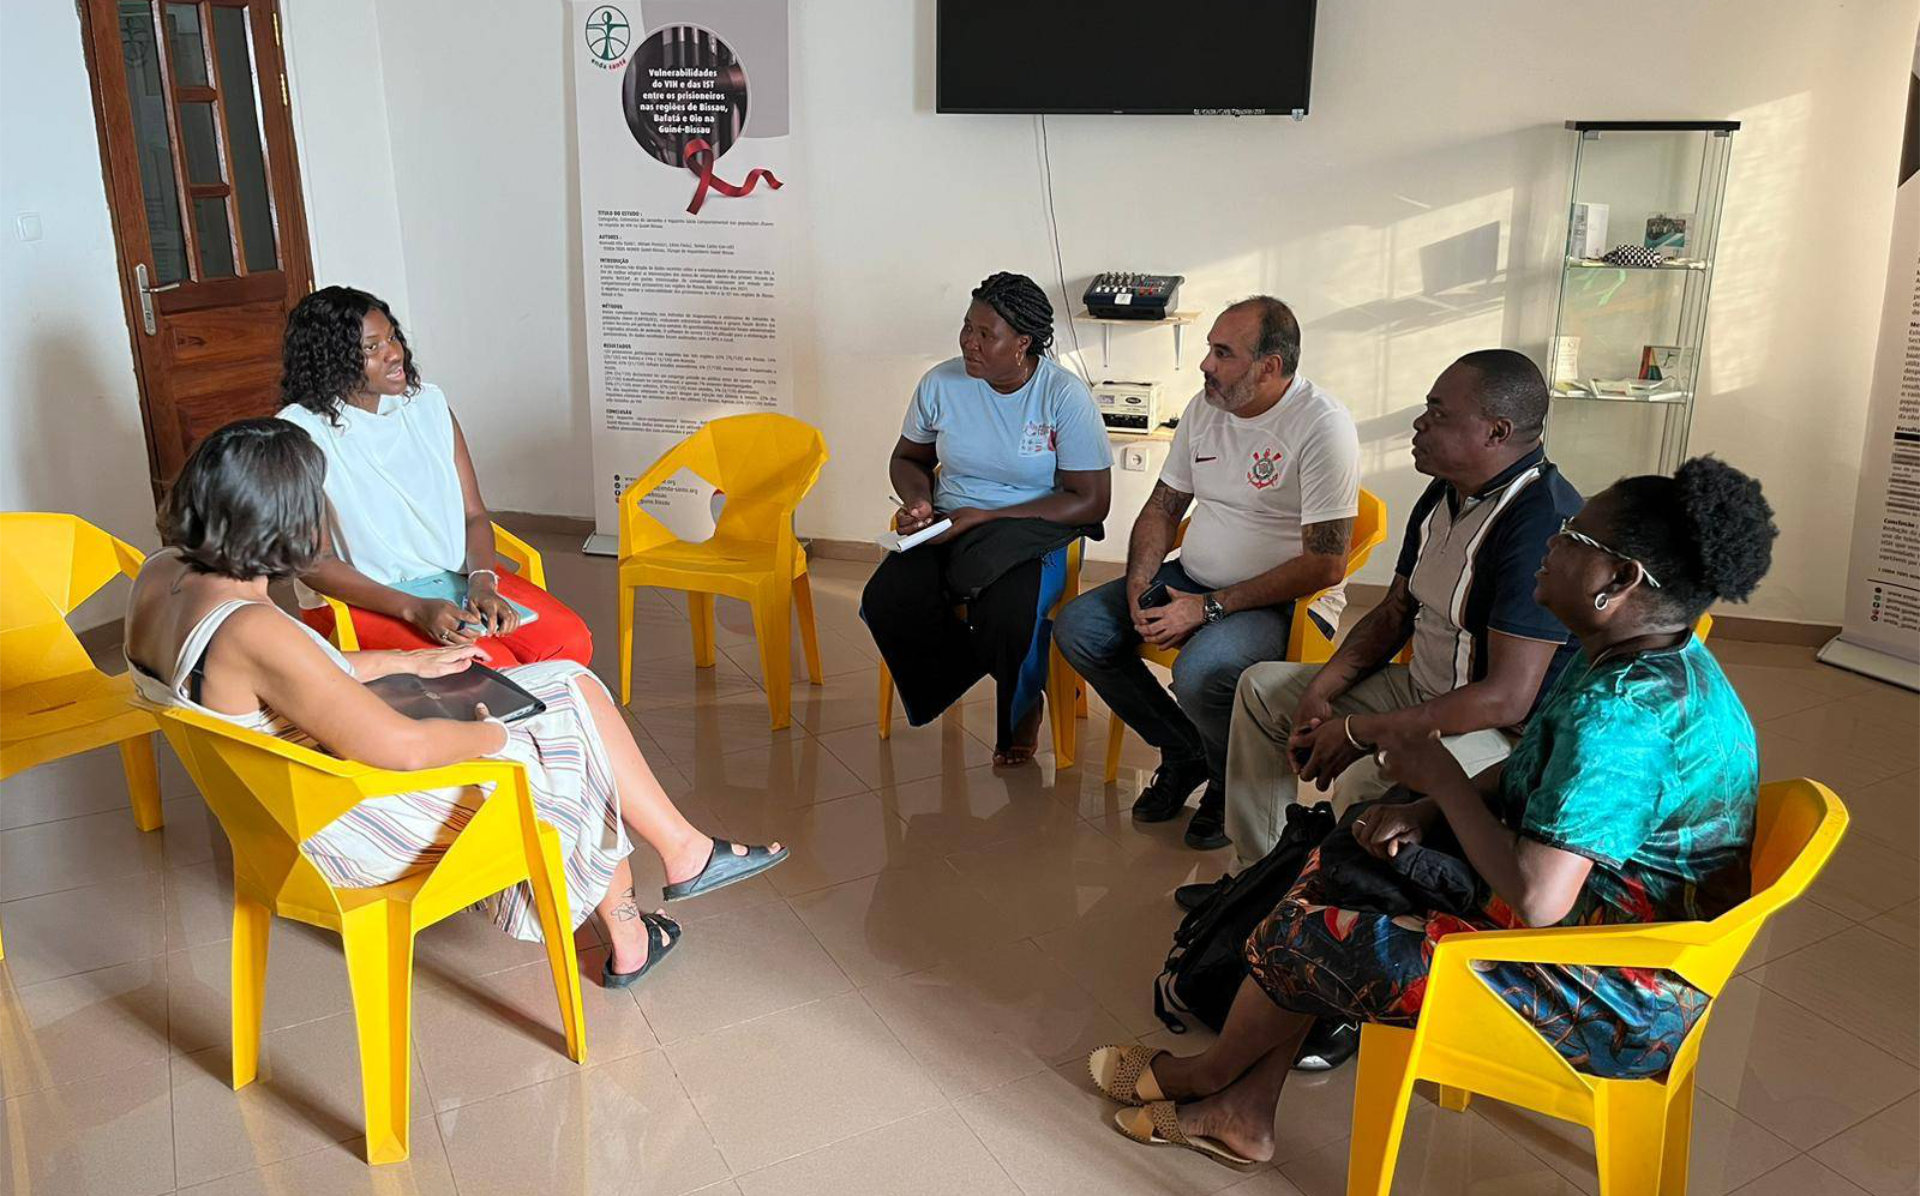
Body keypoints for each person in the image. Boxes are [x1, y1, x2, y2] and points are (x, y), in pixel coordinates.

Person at [1089, 455, 1778, 1167]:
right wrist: (1421, 808)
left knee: (1310, 931)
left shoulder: (1625, 717)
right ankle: (1242, 1109)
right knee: (1349, 850)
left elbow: (1541, 900)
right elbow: (1541, 766)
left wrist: (1444, 780)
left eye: (1576, 536)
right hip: (1605, 930)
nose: (1554, 539)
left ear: (1620, 580)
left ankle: (1212, 1080)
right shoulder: (1649, 657)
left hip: (1613, 990)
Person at [125, 419, 787, 988]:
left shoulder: (163, 576)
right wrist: (493, 737)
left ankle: (681, 857)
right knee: (568, 725)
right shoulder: (253, 626)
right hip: (346, 817)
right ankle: (643, 913)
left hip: (288, 797)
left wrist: (405, 661)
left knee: (567, 685)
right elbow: (401, 749)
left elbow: (285, 676)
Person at [1219, 349, 1582, 874]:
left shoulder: (1539, 522)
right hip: (1425, 687)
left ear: (1497, 432)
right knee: (1261, 691)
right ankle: (1261, 874)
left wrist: (1361, 730)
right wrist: (1326, 685)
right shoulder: (1444, 492)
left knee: (1368, 781)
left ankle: (1331, 903)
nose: (1420, 423)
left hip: (1498, 731)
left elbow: (1506, 699)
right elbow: (1394, 612)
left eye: (1439, 414)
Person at [1054, 297, 1360, 849]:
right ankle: (1186, 750)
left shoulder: (1322, 425)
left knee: (1200, 671)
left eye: (1223, 353)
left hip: (1283, 603)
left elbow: (1326, 562)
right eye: (1209, 349)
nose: (1206, 365)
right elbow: (1163, 508)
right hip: (1191, 577)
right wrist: (1137, 582)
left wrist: (1210, 607)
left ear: (1269, 367)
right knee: (1080, 628)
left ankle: (1227, 781)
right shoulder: (1205, 408)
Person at [862, 271, 1113, 765]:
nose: (969, 343)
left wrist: (987, 516)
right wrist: (919, 503)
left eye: (985, 334)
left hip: (1031, 527)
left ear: (1022, 343)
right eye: (967, 328)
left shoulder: (1062, 396)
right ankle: (961, 675)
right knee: (886, 598)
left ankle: (1021, 712)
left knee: (1009, 616)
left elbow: (1091, 500)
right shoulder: (941, 382)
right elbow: (908, 459)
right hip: (950, 518)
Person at [277, 286, 594, 668]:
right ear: (331, 359)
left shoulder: (428, 404)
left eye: (392, 336)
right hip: (365, 597)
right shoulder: (301, 433)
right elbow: (314, 563)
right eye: (371, 348)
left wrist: (481, 581)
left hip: (455, 581)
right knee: (490, 667)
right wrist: (414, 609)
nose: (394, 353)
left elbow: (473, 515)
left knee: (569, 643)